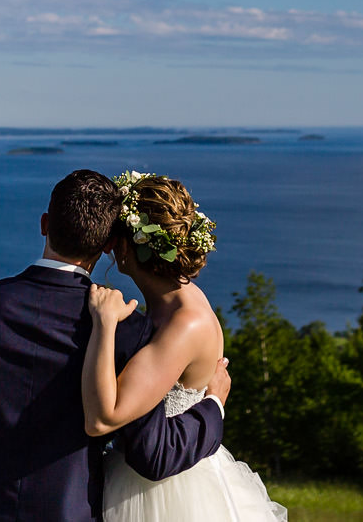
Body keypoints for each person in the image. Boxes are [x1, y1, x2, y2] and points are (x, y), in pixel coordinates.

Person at [0, 169, 233, 522]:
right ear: (106, 245)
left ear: (44, 224)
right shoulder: (127, 330)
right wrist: (213, 406)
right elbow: (152, 449)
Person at [83, 172, 285, 522]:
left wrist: (103, 323)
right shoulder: (172, 300)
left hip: (166, 494)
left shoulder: (184, 323)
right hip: (158, 471)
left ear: (129, 247)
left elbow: (110, 414)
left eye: (114, 237)